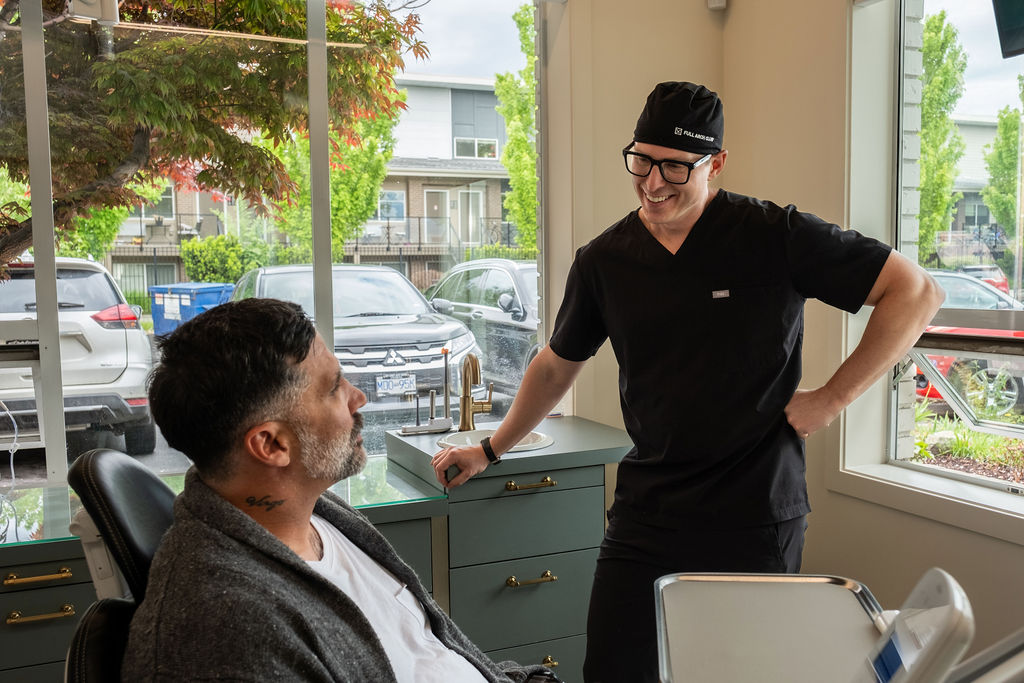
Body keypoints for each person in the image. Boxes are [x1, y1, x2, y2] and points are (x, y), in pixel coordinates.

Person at [430, 81, 945, 682]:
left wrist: (832, 398)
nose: (653, 183)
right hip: (648, 513)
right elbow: (555, 364)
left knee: (739, 675)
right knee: (614, 671)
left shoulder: (774, 235)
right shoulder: (604, 260)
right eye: (642, 161)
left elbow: (916, 292)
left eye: (675, 166)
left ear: (715, 164)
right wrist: (490, 449)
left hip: (755, 512)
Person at [121, 298, 557, 682]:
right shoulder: (225, 636)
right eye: (333, 388)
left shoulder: (316, 514)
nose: (358, 398)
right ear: (271, 445)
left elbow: (428, 650)